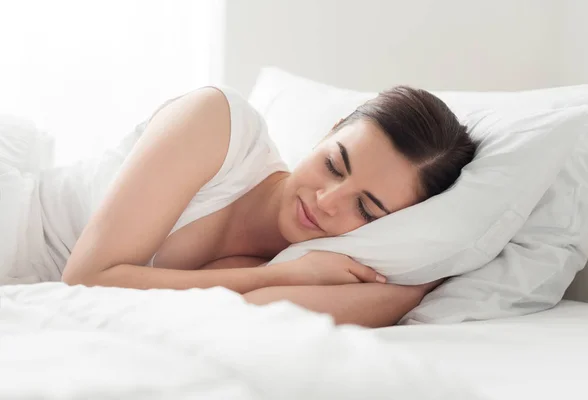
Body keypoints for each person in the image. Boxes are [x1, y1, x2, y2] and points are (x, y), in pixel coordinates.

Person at [1, 84, 476, 328]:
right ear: (328, 132)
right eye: (334, 164)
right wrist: (283, 274)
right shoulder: (220, 123)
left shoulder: (294, 264)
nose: (326, 202)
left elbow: (248, 317)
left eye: (367, 211)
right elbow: (87, 279)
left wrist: (424, 282)